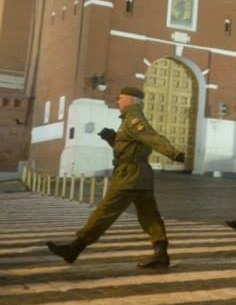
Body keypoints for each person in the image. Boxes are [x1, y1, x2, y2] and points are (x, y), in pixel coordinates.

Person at [46, 86, 186, 269]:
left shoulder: (133, 119)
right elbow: (131, 147)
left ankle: (75, 248)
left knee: (105, 211)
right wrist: (112, 138)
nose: (118, 102)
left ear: (130, 100)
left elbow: (152, 138)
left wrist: (174, 154)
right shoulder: (128, 119)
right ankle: (161, 254)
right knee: (149, 215)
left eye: (120, 98)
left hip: (129, 175)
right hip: (140, 175)